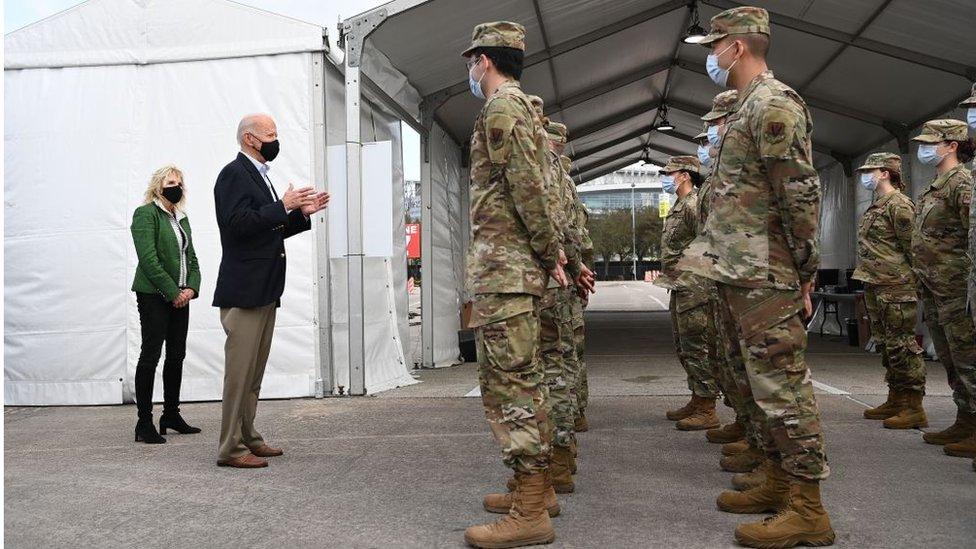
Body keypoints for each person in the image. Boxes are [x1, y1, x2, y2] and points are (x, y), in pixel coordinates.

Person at [677, 7, 835, 547]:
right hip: (742, 271)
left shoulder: (773, 105)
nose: (711, 57)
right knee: (759, 385)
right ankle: (777, 478)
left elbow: (799, 195)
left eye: (713, 46)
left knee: (783, 388)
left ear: (737, 48)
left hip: (767, 273)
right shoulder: (746, 108)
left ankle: (809, 508)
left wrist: (806, 270)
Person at [460, 21, 568, 549]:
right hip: (511, 269)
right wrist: (551, 253)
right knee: (526, 381)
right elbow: (539, 189)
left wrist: (551, 254)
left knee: (512, 391)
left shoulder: (503, 109)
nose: (470, 69)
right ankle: (538, 491)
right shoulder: (520, 109)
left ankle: (529, 512)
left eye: (472, 59)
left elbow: (527, 190)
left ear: (485, 60)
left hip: (506, 272)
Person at [213, 113, 330, 468]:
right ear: (249, 139)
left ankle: (248, 437)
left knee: (253, 375)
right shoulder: (234, 174)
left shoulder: (259, 176)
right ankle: (230, 449)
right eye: (270, 134)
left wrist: (299, 214)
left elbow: (266, 229)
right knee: (239, 375)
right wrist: (283, 206)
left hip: (264, 289)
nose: (275, 139)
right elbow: (237, 226)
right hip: (245, 291)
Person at [910, 119, 976, 461]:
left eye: (931, 142)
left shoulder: (961, 183)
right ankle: (965, 420)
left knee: (967, 358)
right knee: (950, 357)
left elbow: (971, 234)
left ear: (952, 145)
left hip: (955, 286)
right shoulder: (936, 184)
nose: (924, 148)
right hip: (934, 286)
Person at [851, 153, 927, 429]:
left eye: (870, 171)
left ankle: (913, 405)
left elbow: (914, 248)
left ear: (884, 173)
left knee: (903, 346)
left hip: (896, 287)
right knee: (887, 345)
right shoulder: (878, 205)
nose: (865, 176)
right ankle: (896, 397)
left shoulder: (899, 205)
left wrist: (915, 284)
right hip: (877, 284)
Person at [130, 165, 202, 444]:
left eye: (180, 182)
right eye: (171, 181)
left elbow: (192, 258)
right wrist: (173, 292)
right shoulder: (146, 214)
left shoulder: (181, 217)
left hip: (180, 296)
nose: (177, 186)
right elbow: (148, 260)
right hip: (154, 295)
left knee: (177, 355)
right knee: (151, 355)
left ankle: (171, 414)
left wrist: (191, 288)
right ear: (158, 186)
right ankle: (144, 423)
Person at [653, 155, 722, 432]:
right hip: (679, 285)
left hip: (695, 288)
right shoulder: (679, 205)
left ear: (684, 175)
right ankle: (697, 397)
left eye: (670, 174)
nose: (666, 179)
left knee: (697, 346)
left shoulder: (693, 205)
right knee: (684, 346)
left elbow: (708, 244)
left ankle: (707, 407)